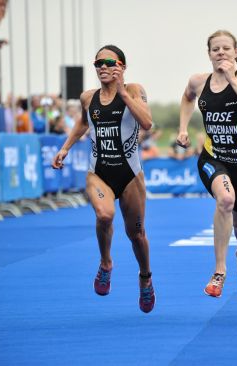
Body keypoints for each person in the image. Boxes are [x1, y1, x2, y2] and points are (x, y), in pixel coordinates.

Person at [52, 45, 155, 313]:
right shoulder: (88, 97)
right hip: (99, 173)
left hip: (130, 174)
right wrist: (65, 148)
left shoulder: (134, 90)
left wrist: (122, 92)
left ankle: (145, 277)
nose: (104, 67)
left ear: (122, 65)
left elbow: (146, 123)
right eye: (98, 64)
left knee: (137, 234)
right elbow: (83, 123)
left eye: (110, 62)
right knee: (105, 215)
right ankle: (106, 263)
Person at [176, 30, 237, 297]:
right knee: (225, 200)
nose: (221, 53)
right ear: (209, 54)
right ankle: (219, 271)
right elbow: (187, 97)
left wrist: (231, 78)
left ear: (236, 52)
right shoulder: (198, 81)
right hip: (213, 158)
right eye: (216, 49)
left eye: (227, 48)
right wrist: (183, 128)